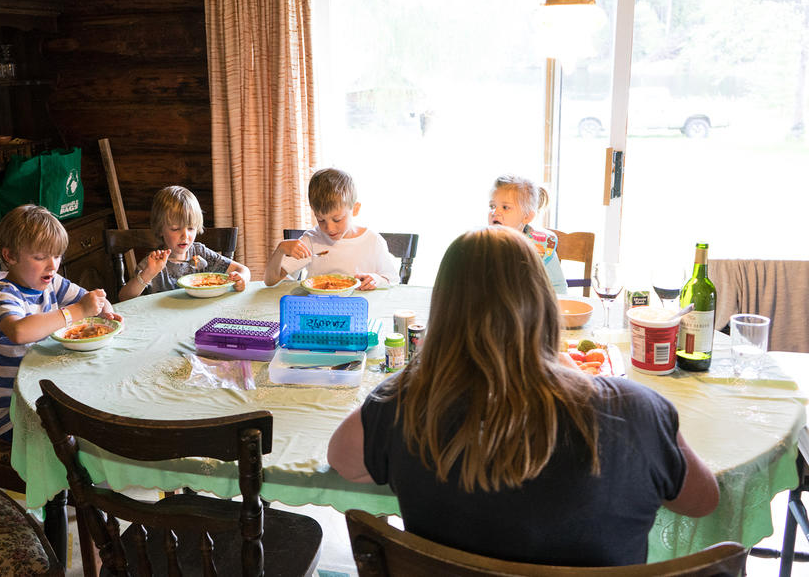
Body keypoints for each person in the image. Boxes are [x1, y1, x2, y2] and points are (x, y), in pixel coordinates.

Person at [327, 227, 719, 567]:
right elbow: (703, 501)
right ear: (544, 306)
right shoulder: (633, 410)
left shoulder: (405, 404)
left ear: (443, 315)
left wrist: (427, 366)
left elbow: (343, 461)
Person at [0, 204, 120, 443]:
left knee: (109, 402)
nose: (52, 265)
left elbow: (87, 297)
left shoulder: (50, 282)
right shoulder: (4, 296)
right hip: (15, 414)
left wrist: (104, 307)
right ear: (10, 256)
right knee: (94, 432)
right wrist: (76, 311)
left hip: (44, 393)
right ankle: (74, 479)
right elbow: (20, 331)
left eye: (56, 255)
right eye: (40, 257)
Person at [264, 168, 399, 289]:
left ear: (355, 209)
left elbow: (392, 279)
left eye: (337, 219)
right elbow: (270, 281)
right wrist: (280, 250)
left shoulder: (372, 241)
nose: (329, 228)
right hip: (318, 310)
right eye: (321, 219)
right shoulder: (311, 240)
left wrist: (376, 279)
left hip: (359, 310)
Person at [118, 185, 250, 300]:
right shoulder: (153, 263)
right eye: (175, 229)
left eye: (191, 228)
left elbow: (242, 269)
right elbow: (124, 298)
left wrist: (241, 278)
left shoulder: (200, 253)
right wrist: (148, 274)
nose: (185, 235)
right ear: (160, 230)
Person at [488, 174, 568, 294]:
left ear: (527, 217)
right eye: (492, 206)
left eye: (505, 207)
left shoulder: (540, 246)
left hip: (531, 309)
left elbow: (558, 288)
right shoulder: (483, 243)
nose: (495, 212)